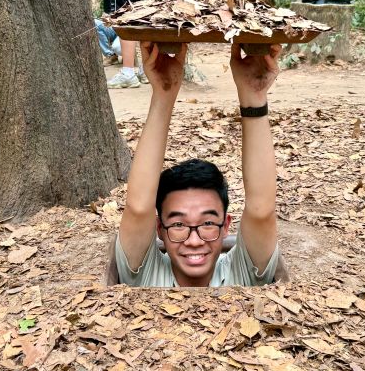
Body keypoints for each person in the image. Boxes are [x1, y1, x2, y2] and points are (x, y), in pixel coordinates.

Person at [113, 42, 283, 287]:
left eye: (207, 223)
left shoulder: (243, 272)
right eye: (179, 224)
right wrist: (163, 93)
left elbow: (261, 209)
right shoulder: (144, 274)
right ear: (159, 229)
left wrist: (253, 96)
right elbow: (139, 207)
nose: (194, 241)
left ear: (226, 226)